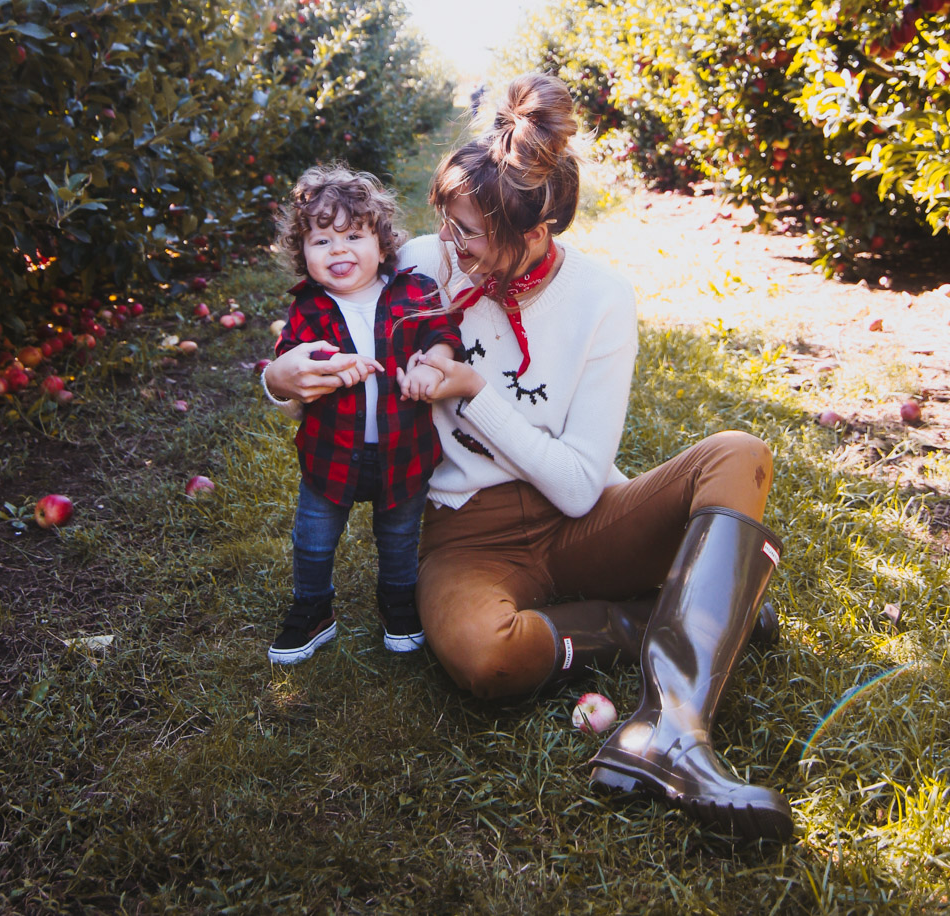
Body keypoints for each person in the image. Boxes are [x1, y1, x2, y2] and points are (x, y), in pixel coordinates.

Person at [264, 78, 793, 842]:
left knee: (738, 454)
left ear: (535, 230)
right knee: (487, 657)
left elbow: (581, 487)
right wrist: (279, 379)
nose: (449, 247)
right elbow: (316, 338)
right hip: (464, 534)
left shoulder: (601, 299)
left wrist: (476, 391)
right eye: (445, 225)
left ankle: (674, 730)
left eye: (468, 234)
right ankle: (657, 620)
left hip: (578, 519)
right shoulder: (418, 263)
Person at [262, 164, 463, 666]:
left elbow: (445, 335)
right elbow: (291, 363)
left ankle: (398, 605)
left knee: (398, 538)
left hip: (403, 451)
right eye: (321, 241)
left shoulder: (412, 292)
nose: (338, 251)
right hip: (330, 454)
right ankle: (313, 609)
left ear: (382, 241)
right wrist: (322, 366)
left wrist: (435, 365)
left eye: (353, 235)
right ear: (302, 251)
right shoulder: (309, 308)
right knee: (312, 539)